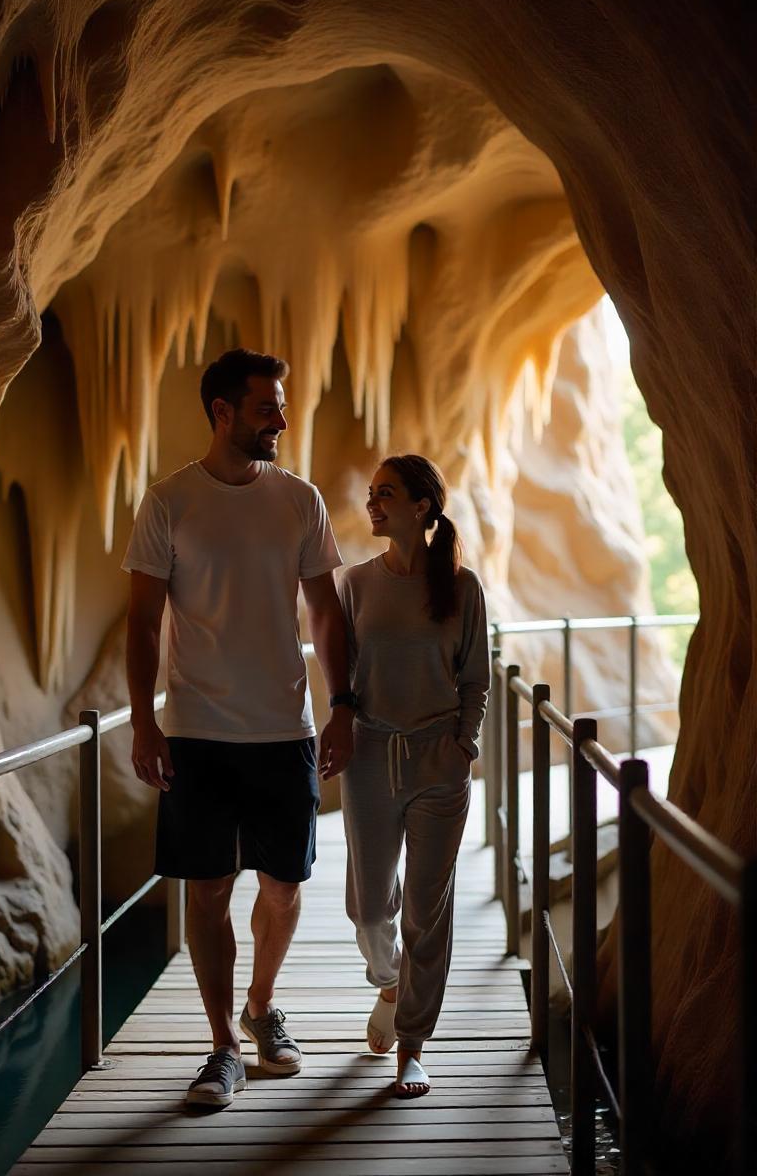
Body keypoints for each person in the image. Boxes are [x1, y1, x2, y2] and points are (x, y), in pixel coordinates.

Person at [123, 348, 354, 1108]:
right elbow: (142, 623)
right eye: (266, 408)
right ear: (221, 413)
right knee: (209, 888)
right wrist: (146, 725)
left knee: (285, 887)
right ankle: (222, 1044)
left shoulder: (299, 500)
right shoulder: (168, 502)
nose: (281, 420)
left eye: (280, 407)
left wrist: (341, 705)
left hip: (283, 728)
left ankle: (261, 1005)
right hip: (195, 728)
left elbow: (325, 611)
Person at [331, 454, 489, 1098]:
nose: (373, 503)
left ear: (421, 507)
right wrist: (339, 727)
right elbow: (340, 676)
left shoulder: (462, 586)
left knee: (429, 907)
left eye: (385, 494)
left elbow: (476, 677)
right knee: (370, 907)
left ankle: (413, 1049)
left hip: (438, 763)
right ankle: (389, 984)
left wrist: (463, 744)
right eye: (370, 493)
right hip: (369, 758)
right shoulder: (356, 584)